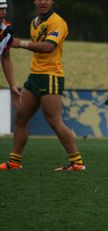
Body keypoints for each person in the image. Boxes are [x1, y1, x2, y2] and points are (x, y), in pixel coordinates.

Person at [0, 0, 85, 171]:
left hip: (51, 76)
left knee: (54, 121)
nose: (44, 2)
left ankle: (77, 163)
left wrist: (21, 43)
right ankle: (15, 161)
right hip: (35, 76)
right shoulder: (35, 22)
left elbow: (48, 47)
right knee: (21, 118)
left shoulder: (58, 22)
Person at [0, 0, 22, 105]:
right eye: (0, 9)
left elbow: (5, 57)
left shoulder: (7, 30)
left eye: (4, 9)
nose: (3, 12)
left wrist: (12, 85)